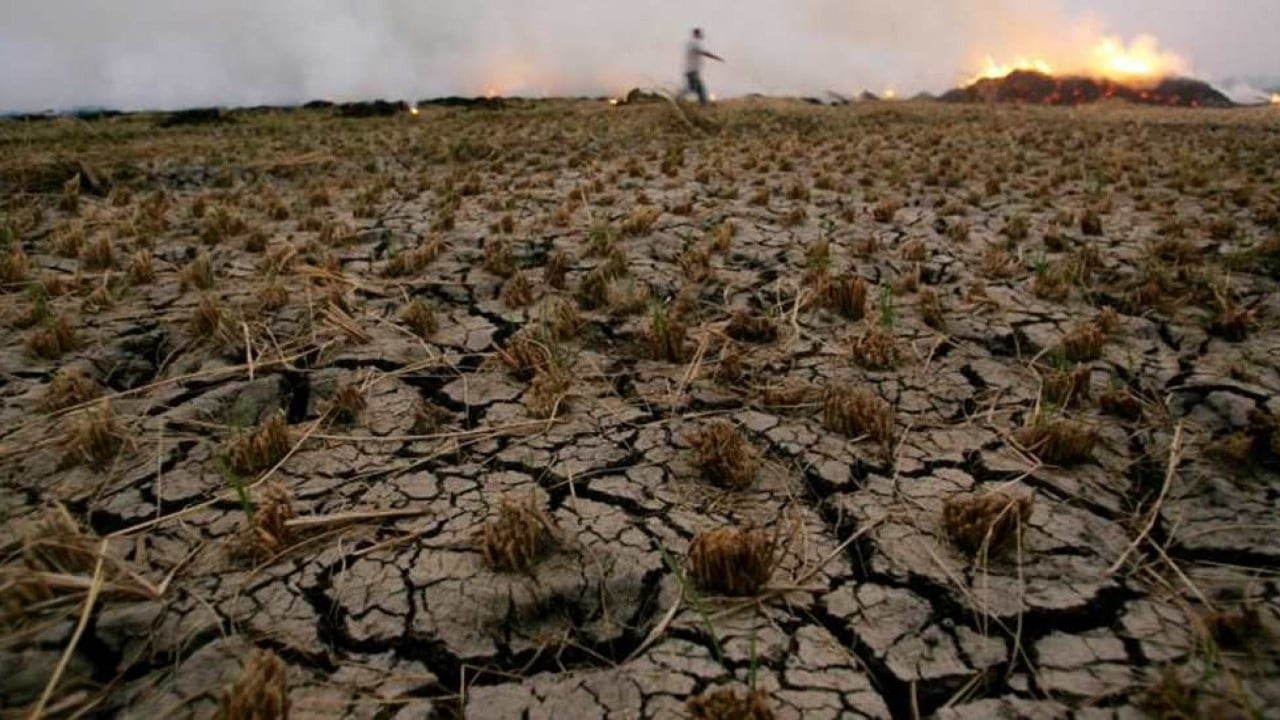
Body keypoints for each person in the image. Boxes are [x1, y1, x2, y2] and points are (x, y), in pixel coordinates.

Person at [680, 28, 723, 106]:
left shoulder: (691, 43)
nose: (702, 36)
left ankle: (703, 104)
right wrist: (716, 58)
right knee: (696, 88)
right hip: (692, 71)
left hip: (691, 70)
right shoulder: (694, 43)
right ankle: (679, 98)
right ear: (697, 34)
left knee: (696, 88)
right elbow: (705, 53)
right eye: (700, 34)